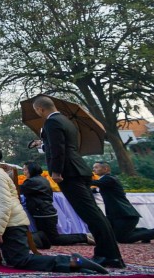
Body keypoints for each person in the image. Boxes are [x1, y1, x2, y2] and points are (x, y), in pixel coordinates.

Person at [0, 145, 108, 274]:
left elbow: (4, 202)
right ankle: (76, 267)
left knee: (21, 260)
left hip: (12, 222)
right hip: (9, 221)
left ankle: (74, 262)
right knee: (12, 259)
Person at [31, 96, 124, 268]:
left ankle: (109, 255)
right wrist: (42, 144)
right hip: (79, 168)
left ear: (40, 109)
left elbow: (59, 149)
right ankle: (110, 254)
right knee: (94, 213)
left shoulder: (51, 123)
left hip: (69, 172)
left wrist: (56, 171)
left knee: (91, 215)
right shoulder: (66, 121)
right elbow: (61, 145)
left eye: (36, 111)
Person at [20, 161, 93, 248]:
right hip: (44, 211)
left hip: (43, 213)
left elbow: (18, 189)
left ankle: (85, 237)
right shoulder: (40, 179)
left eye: (25, 170)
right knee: (46, 236)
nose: (24, 172)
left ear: (31, 169)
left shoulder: (32, 181)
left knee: (54, 239)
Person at [91, 161, 154, 244]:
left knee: (122, 239)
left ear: (105, 168)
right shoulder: (106, 180)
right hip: (118, 215)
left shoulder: (109, 178)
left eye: (96, 167)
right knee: (114, 236)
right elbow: (98, 188)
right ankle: (145, 232)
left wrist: (81, 177)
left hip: (125, 215)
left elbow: (93, 183)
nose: (94, 169)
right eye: (93, 167)